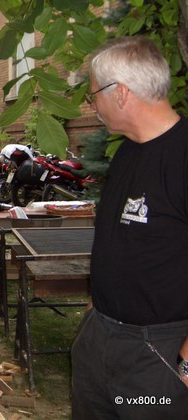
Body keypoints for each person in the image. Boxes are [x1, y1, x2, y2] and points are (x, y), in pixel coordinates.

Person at [71, 36, 188, 419]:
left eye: (93, 95)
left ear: (120, 93)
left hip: (157, 354)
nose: (92, 106)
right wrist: (97, 307)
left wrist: (186, 363)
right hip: (100, 340)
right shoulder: (126, 152)